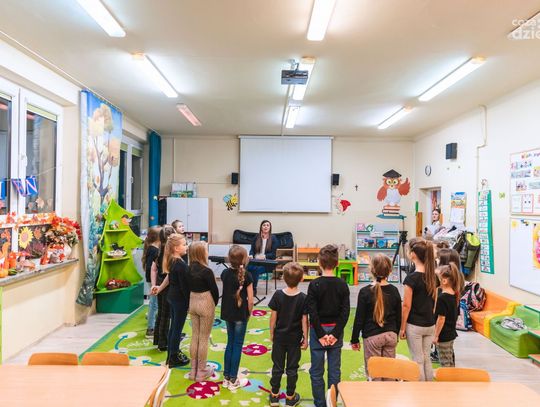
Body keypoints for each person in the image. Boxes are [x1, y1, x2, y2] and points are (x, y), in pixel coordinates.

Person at [307, 244, 350, 407]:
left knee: (316, 372)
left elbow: (312, 312)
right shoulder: (342, 284)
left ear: (319, 263)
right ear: (337, 263)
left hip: (318, 331)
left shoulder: (314, 284)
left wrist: (320, 334)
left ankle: (320, 404)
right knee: (334, 372)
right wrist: (335, 334)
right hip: (335, 332)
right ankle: (331, 403)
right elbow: (345, 312)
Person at [350, 254, 401, 379]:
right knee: (389, 373)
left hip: (372, 337)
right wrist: (396, 334)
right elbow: (398, 316)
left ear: (371, 270)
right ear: (390, 270)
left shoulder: (365, 292)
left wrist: (354, 339)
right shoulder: (394, 290)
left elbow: (359, 319)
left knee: (374, 375)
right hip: (391, 335)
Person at [268, 262, 308, 407]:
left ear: (283, 278)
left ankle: (274, 395)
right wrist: (306, 339)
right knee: (292, 368)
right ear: (301, 279)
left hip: (279, 338)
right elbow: (305, 320)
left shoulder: (278, 295)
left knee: (277, 366)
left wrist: (271, 333)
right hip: (294, 339)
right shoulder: (303, 298)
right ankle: (290, 397)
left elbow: (273, 317)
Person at [400, 238, 437, 381]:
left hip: (415, 325)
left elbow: (406, 305)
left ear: (413, 255)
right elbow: (434, 303)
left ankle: (420, 390)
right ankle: (428, 388)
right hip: (430, 324)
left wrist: (402, 327)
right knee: (426, 358)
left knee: (417, 360)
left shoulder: (411, 279)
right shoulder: (433, 277)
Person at [153, 233, 191, 368]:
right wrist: (189, 303)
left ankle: (171, 354)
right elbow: (185, 287)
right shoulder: (180, 265)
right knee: (176, 329)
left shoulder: (174, 261)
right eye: (184, 244)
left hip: (173, 298)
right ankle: (173, 356)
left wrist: (159, 288)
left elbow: (169, 277)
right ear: (176, 248)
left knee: (174, 327)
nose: (186, 246)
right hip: (179, 301)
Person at [221, 245, 254, 390]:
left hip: (228, 313)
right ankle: (234, 379)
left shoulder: (224, 273)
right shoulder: (248, 276)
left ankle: (226, 377)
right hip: (241, 315)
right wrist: (249, 313)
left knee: (230, 343)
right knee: (237, 345)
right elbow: (251, 300)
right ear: (244, 259)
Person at [187, 241, 219, 381]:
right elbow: (215, 291)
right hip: (205, 302)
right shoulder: (207, 271)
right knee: (204, 337)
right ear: (201, 253)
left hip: (192, 301)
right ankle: (201, 371)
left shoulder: (187, 269)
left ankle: (192, 370)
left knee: (195, 335)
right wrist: (214, 304)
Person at [151, 225, 176, 352]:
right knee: (166, 315)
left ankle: (158, 339)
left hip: (160, 283)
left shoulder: (159, 250)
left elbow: (153, 268)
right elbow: (170, 275)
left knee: (161, 313)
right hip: (166, 285)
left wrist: (154, 285)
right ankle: (163, 343)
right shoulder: (169, 253)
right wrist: (160, 287)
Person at [433, 263, 462, 367]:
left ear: (444, 281)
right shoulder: (454, 294)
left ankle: (447, 377)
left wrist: (436, 335)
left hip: (443, 336)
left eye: (437, 278)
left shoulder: (442, 298)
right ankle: (452, 376)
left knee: (445, 363)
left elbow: (441, 319)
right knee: (450, 360)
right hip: (450, 333)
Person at [248, 220, 279, 296]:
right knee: (247, 267)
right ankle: (247, 287)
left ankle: (253, 289)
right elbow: (252, 250)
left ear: (270, 227)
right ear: (261, 227)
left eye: (267, 225)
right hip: (255, 260)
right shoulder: (256, 237)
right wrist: (251, 255)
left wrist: (264, 256)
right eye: (264, 225)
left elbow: (273, 255)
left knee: (255, 269)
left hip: (267, 263)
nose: (266, 227)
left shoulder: (273, 238)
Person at [142, 226, 161, 338]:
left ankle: (153, 323)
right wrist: (154, 283)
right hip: (153, 281)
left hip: (153, 280)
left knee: (154, 303)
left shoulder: (153, 248)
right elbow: (150, 268)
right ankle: (151, 328)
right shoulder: (154, 250)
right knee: (154, 304)